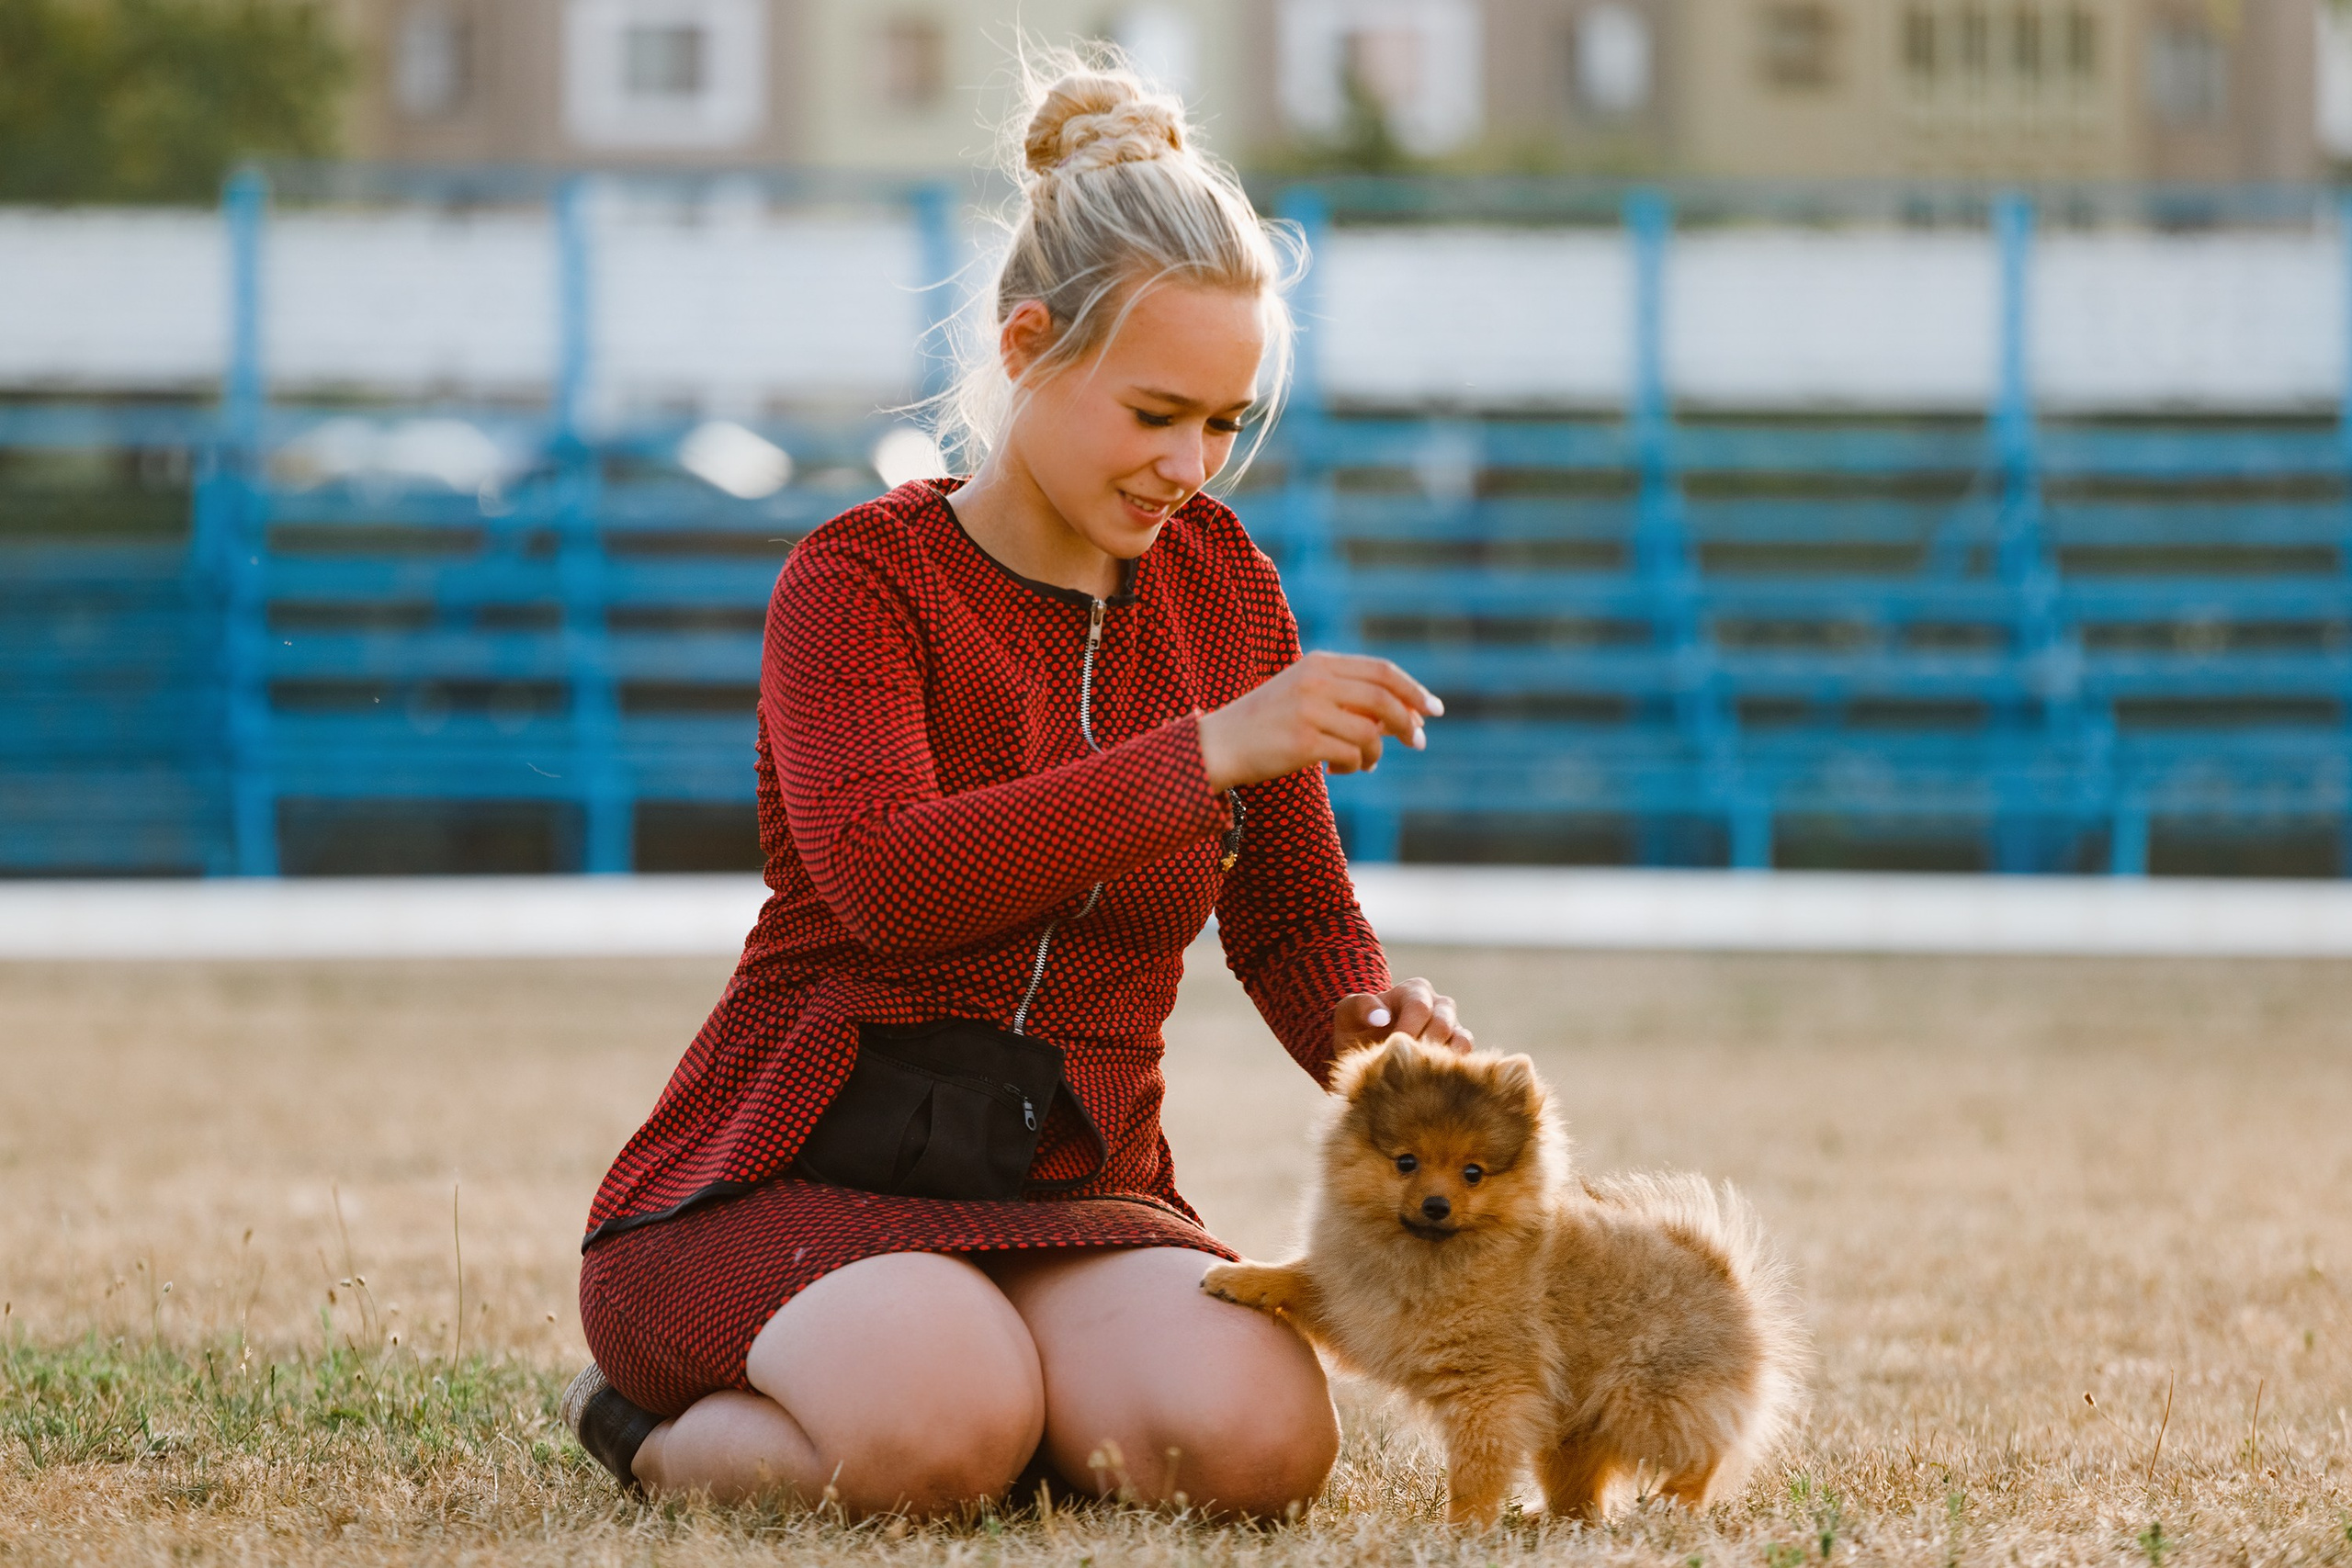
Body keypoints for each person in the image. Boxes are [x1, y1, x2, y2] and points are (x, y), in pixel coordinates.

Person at [560, 56, 1468, 1522]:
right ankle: (646, 1432)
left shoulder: (1227, 589)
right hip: (789, 1182)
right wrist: (1205, 750)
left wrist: (1380, 1046)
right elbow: (893, 878)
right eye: (1156, 411)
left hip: (1072, 1190)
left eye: (1226, 423)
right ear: (1031, 345)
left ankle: (1010, 1399)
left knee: (1256, 1445)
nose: (1191, 464)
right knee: (931, 1436)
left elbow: (1293, 920)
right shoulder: (858, 580)